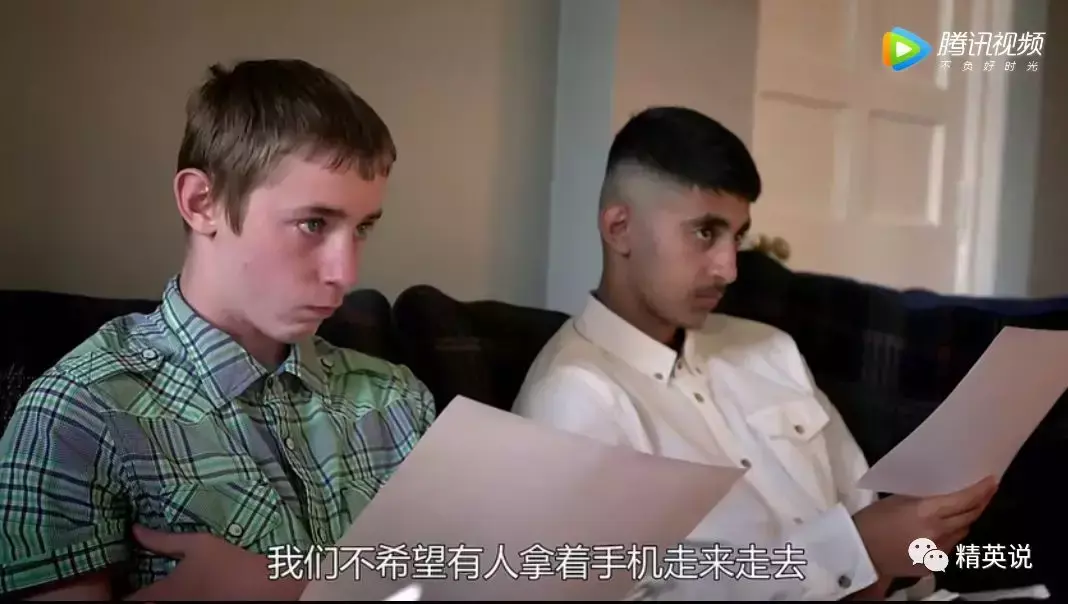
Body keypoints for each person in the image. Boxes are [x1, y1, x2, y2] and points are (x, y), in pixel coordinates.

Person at [511, 106, 998, 600]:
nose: (729, 269)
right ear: (619, 228)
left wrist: (904, 541)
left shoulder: (769, 348)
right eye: (705, 232)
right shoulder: (573, 399)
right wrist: (858, 553)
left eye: (737, 236)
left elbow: (866, 514)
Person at [0, 59, 436, 601]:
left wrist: (285, 589)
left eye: (363, 227)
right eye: (313, 224)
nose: (345, 274)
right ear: (200, 203)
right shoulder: (81, 413)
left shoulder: (400, 402)